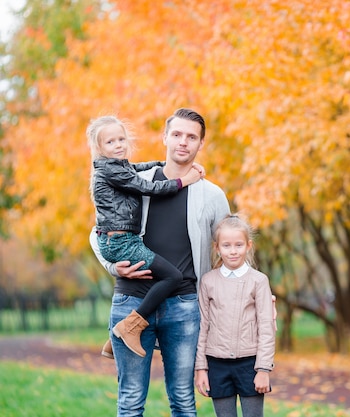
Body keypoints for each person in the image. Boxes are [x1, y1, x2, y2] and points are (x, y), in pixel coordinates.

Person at [90, 108, 231, 417]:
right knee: (130, 401)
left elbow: (229, 250)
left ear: (200, 144)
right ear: (164, 137)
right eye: (177, 134)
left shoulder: (212, 195)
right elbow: (97, 230)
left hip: (183, 306)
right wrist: (113, 266)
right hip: (131, 299)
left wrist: (250, 288)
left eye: (192, 137)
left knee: (183, 400)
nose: (183, 142)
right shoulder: (134, 180)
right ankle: (125, 331)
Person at [87, 115, 204, 358]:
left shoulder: (117, 167)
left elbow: (138, 168)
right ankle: (130, 327)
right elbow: (149, 188)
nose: (118, 145)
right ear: (99, 148)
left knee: (154, 278)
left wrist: (164, 163)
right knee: (173, 276)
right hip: (121, 243)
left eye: (121, 139)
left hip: (120, 240)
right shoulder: (111, 171)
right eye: (110, 142)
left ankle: (114, 338)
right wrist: (185, 179)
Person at [194, 214, 275, 417]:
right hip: (217, 364)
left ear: (248, 246)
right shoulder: (208, 281)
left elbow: (266, 327)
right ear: (217, 248)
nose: (232, 251)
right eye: (226, 245)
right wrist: (201, 368)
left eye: (238, 245)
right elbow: (203, 326)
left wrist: (263, 369)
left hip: (250, 364)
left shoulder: (259, 281)